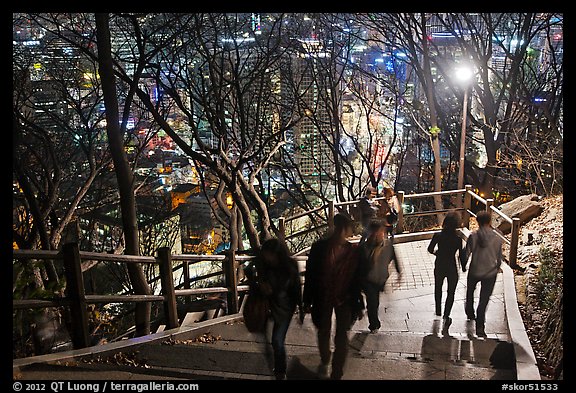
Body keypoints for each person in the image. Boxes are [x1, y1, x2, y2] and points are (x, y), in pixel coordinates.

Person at [302, 213, 364, 380]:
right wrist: (307, 300)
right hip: (323, 295)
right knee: (324, 329)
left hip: (345, 298)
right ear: (343, 229)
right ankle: (325, 356)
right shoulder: (319, 248)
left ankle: (337, 370)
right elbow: (311, 275)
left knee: (341, 335)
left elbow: (356, 280)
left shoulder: (353, 252)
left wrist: (359, 303)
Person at [245, 238, 303, 380]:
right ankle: (275, 364)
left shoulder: (290, 266)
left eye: (269, 254)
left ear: (277, 254)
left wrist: (301, 308)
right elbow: (248, 270)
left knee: (277, 340)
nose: (267, 257)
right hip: (267, 305)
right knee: (266, 339)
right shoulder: (263, 264)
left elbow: (296, 288)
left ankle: (280, 372)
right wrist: (258, 284)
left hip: (285, 308)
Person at [462, 210, 503, 338]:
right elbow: (499, 256)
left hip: (474, 269)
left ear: (477, 222)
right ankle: (480, 325)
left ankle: (469, 311)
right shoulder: (498, 236)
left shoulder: (473, 236)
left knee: (470, 291)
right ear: (489, 221)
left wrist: (464, 265)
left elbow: (466, 253)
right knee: (484, 298)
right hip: (490, 272)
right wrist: (497, 267)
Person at [358, 220, 402, 333]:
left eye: (381, 232)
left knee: (375, 302)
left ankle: (373, 317)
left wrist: (399, 273)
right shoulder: (364, 248)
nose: (380, 234)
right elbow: (359, 265)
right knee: (372, 301)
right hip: (368, 279)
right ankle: (374, 324)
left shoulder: (387, 246)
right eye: (377, 232)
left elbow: (394, 258)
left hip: (381, 279)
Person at [427, 212, 467, 335]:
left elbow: (430, 249)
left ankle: (438, 310)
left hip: (439, 265)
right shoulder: (458, 239)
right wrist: (464, 267)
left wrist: (437, 253)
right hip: (451, 266)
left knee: (438, 288)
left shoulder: (437, 236)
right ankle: (446, 314)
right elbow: (461, 256)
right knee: (451, 292)